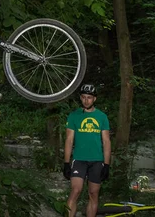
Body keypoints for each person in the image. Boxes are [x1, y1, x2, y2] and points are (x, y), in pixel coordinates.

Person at [63, 84, 111, 217]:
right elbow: (69, 140)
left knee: (93, 193)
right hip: (79, 159)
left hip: (97, 160)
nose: (86, 100)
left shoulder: (102, 117)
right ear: (80, 98)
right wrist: (66, 163)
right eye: (83, 97)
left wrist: (106, 164)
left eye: (89, 98)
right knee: (75, 191)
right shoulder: (74, 116)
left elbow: (106, 141)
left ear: (94, 99)